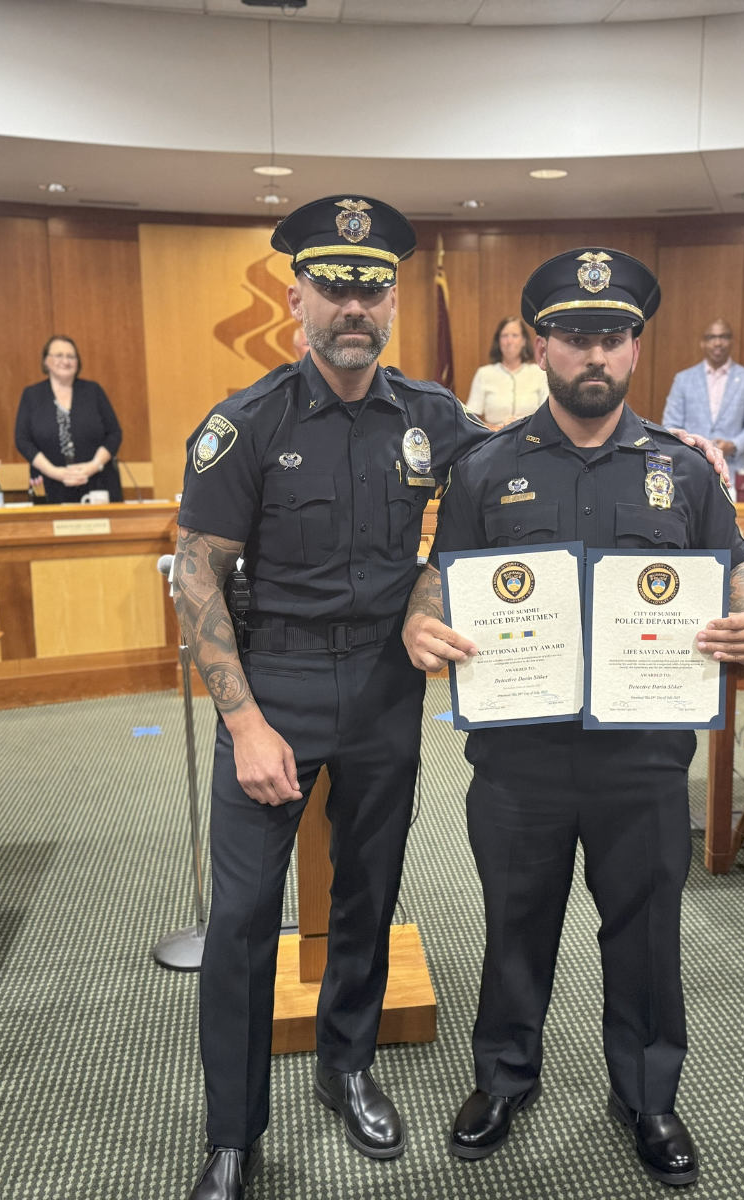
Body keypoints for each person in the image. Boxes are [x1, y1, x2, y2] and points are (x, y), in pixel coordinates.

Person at [401, 247, 744, 1188]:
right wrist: (420, 615)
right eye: (572, 337)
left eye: (611, 336)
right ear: (541, 346)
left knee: (646, 930)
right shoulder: (487, 466)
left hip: (643, 755)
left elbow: (734, 560)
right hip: (519, 758)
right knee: (514, 922)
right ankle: (504, 1077)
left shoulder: (684, 470)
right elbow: (443, 569)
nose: (592, 354)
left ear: (637, 348)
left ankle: (648, 1095)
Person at [169, 194, 490, 1200]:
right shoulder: (246, 424)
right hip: (278, 685)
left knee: (369, 893)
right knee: (246, 916)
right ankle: (233, 1133)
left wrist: (673, 448)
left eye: (373, 289)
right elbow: (197, 575)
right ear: (297, 297)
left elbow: (513, 487)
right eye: (334, 288)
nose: (354, 307)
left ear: (392, 301)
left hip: (390, 692)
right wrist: (246, 720)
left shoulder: (432, 417)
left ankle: (347, 1067)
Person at [14, 334, 125, 504]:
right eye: (59, 355)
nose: (65, 361)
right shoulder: (32, 395)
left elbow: (114, 433)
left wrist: (93, 467)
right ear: (46, 361)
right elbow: (22, 440)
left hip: (97, 483)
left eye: (71, 356)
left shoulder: (93, 391)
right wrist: (53, 471)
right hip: (49, 486)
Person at [661, 319, 744, 483]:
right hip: (688, 471)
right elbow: (670, 424)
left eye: (723, 336)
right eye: (711, 337)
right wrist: (693, 445)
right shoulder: (683, 380)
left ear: (732, 341)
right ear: (703, 343)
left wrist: (733, 445)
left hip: (731, 474)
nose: (717, 342)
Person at [467, 315, 549, 427]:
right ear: (499, 341)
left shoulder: (539, 373)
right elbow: (471, 418)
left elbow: (547, 416)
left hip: (531, 438)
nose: (509, 341)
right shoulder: (484, 374)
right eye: (505, 336)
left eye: (515, 335)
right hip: (494, 438)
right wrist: (495, 429)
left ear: (524, 341)